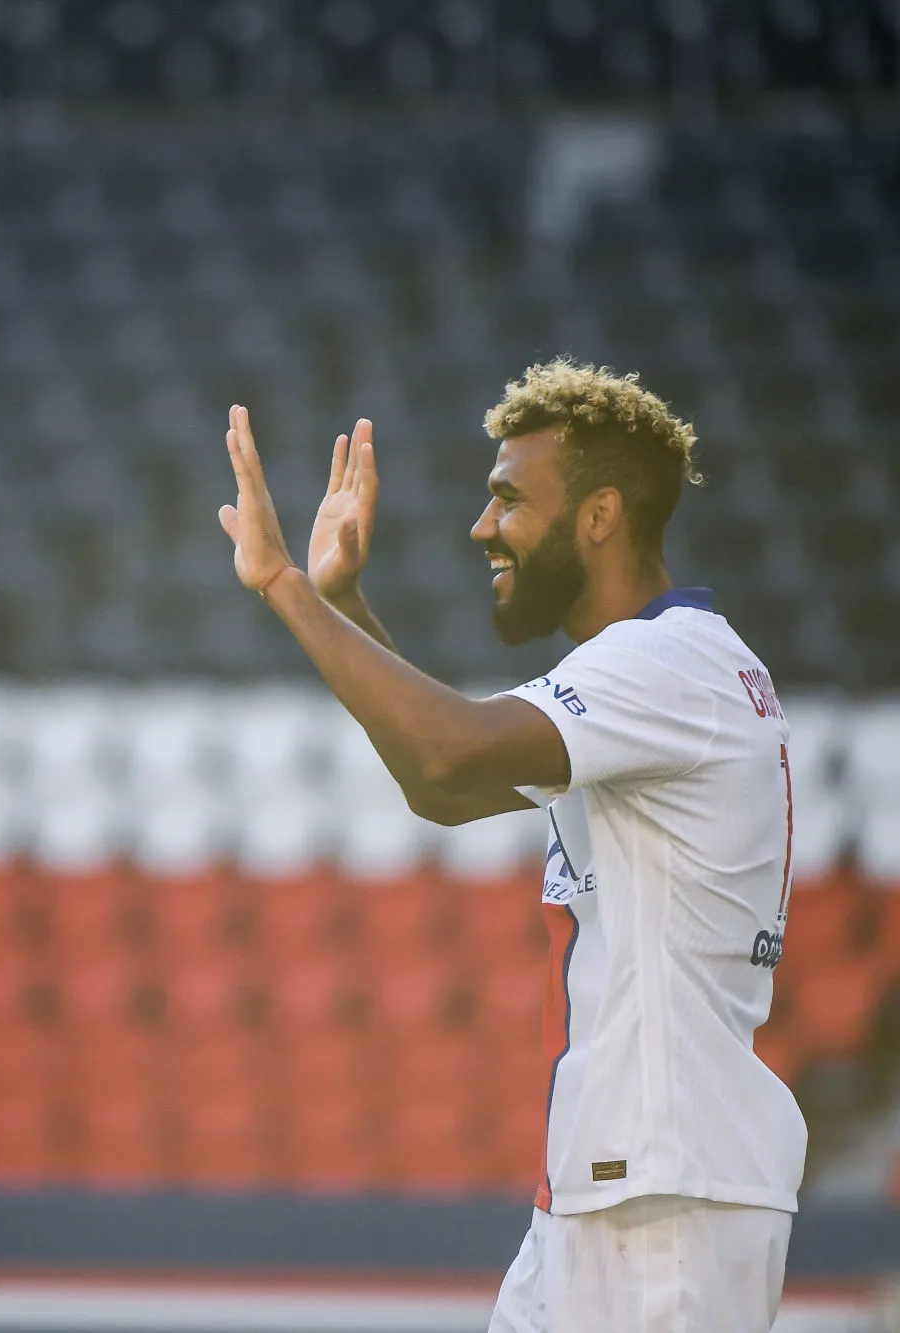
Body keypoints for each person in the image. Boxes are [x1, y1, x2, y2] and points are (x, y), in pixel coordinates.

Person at [215, 361, 804, 1332]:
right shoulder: (665, 669)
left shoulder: (663, 662)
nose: (481, 528)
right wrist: (342, 604)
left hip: (661, 1196)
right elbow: (439, 784)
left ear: (599, 513)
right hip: (613, 1188)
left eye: (507, 499)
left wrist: (285, 588)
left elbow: (448, 756)